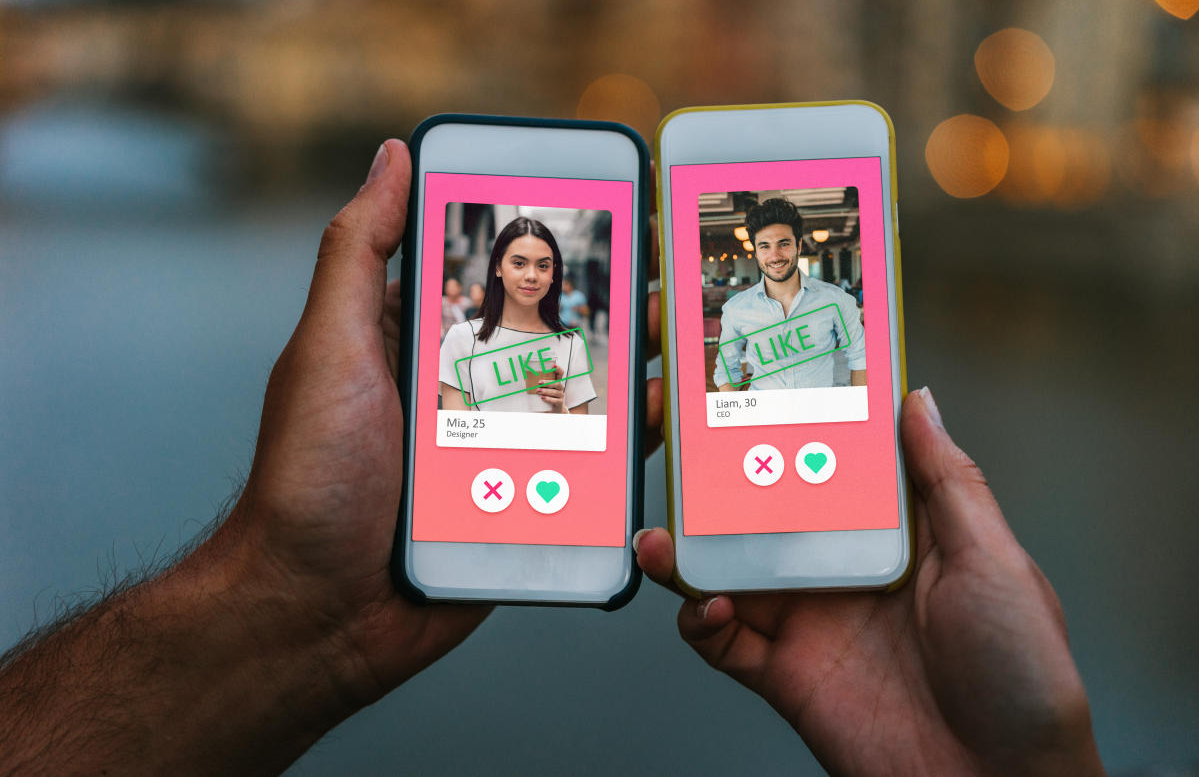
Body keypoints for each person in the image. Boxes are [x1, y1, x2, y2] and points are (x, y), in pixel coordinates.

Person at [0, 141, 1104, 775]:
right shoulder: (463, 348)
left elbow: (598, 406)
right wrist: (288, 602)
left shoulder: (600, 344)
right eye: (516, 254)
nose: (530, 268)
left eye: (544, 257)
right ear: (499, 269)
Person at [439, 217, 595, 414]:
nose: (531, 275)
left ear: (553, 273)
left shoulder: (571, 344)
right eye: (519, 263)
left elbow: (580, 437)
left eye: (543, 266)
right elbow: (455, 434)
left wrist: (559, 412)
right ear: (498, 267)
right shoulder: (462, 338)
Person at [715, 197, 866, 391]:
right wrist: (738, 419)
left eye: (784, 244)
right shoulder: (736, 309)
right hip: (763, 416)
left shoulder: (836, 300)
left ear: (799, 246)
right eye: (765, 246)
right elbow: (726, 370)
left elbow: (859, 356)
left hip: (819, 415)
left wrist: (859, 413)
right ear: (756, 251)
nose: (775, 256)